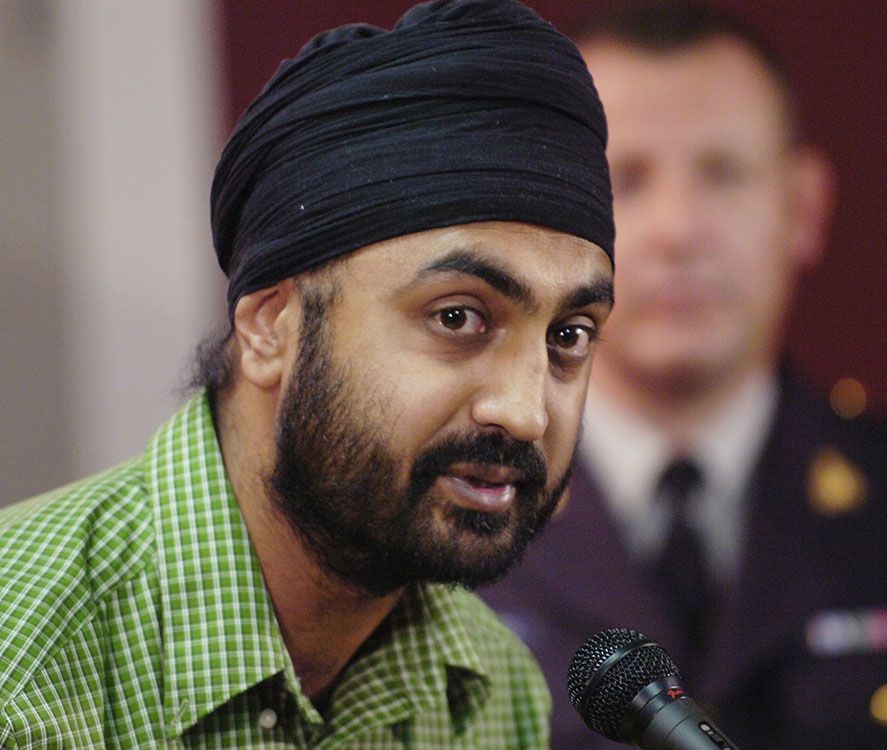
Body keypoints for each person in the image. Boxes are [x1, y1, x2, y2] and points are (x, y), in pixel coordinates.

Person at [0, 1, 617, 747]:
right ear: (270, 326)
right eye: (458, 317)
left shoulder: (485, 683)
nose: (525, 412)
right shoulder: (22, 663)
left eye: (568, 336)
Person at [481, 2, 887, 748]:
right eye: (625, 179)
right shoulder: (444, 534)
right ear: (546, 224)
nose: (679, 229)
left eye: (724, 173)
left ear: (803, 208)